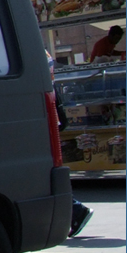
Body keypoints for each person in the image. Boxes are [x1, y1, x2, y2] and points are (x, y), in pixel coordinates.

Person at [45, 52, 93, 238]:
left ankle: (75, 211)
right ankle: (72, 212)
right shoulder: (42, 52)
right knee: (49, 169)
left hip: (46, 117)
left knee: (46, 171)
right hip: (51, 116)